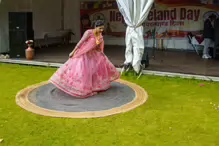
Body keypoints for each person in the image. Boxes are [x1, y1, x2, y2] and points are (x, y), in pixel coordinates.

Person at [49, 20, 120, 98]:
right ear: (95, 27)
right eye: (100, 28)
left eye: (102, 29)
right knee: (82, 72)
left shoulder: (100, 36)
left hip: (93, 55)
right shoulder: (89, 33)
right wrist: (73, 52)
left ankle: (93, 87)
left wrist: (100, 48)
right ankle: (79, 88)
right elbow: (81, 42)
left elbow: (98, 48)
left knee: (95, 70)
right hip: (83, 54)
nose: (101, 30)